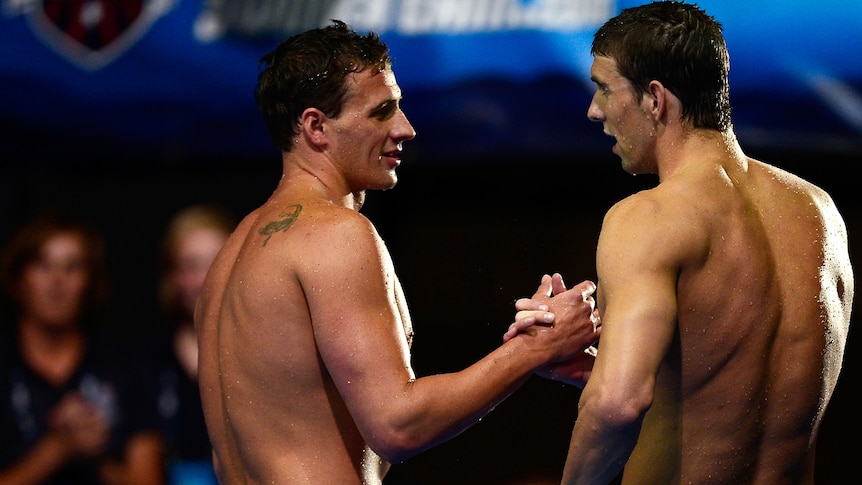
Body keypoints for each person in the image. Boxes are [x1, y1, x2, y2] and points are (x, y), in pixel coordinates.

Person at [195, 20, 601, 485]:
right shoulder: (335, 234)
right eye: (381, 112)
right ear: (315, 126)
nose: (405, 129)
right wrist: (537, 347)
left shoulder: (230, 256)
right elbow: (397, 426)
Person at [509, 2, 854, 484]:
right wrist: (596, 367)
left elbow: (618, 405)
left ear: (655, 98)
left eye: (605, 89)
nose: (594, 110)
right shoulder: (820, 213)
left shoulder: (648, 217)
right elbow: (745, 386)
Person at [0, 210, 166, 485]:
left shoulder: (126, 368)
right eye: (42, 265)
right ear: (19, 278)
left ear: (90, 284)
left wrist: (91, 456)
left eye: (72, 266)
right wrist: (56, 449)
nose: (57, 281)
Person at [144, 204, 236, 485]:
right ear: (171, 278)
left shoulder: (267, 360)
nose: (206, 279)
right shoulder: (146, 364)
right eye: (191, 266)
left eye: (217, 262)